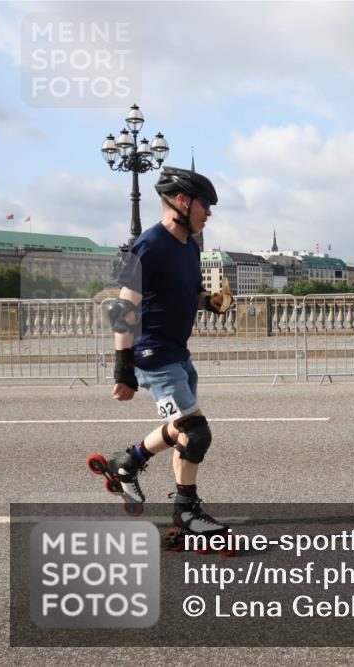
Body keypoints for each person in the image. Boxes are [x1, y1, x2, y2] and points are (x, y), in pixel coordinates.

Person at [100, 166, 232, 538]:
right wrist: (123, 368)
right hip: (152, 355)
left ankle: (127, 463)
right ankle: (186, 512)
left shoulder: (190, 245)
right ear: (182, 202)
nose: (209, 212)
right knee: (196, 432)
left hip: (178, 352)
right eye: (205, 205)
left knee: (180, 427)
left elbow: (188, 291)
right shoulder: (148, 246)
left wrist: (211, 302)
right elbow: (124, 306)